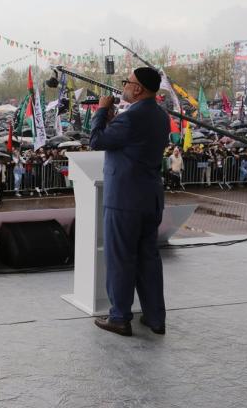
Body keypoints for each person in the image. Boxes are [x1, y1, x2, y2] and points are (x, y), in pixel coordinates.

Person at [89, 67, 169, 337]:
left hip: (124, 200)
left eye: (128, 82)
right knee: (149, 259)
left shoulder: (131, 117)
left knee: (121, 258)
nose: (124, 86)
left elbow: (96, 141)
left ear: (138, 89)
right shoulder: (161, 116)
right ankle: (155, 318)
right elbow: (131, 142)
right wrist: (113, 121)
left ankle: (119, 317)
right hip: (150, 198)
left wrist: (101, 111)